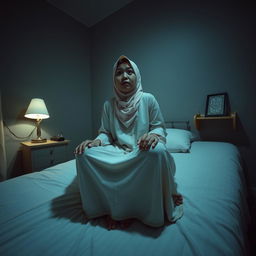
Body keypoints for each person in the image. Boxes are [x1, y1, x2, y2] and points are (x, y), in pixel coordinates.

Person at [75, 55, 183, 230]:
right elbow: (106, 133)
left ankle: (138, 208)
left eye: (129, 72)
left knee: (157, 152)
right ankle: (109, 207)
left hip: (142, 151)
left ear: (137, 76)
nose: (124, 76)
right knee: (83, 154)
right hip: (118, 151)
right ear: (114, 79)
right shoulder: (108, 105)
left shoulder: (148, 99)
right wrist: (96, 141)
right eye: (119, 73)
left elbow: (159, 127)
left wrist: (153, 135)